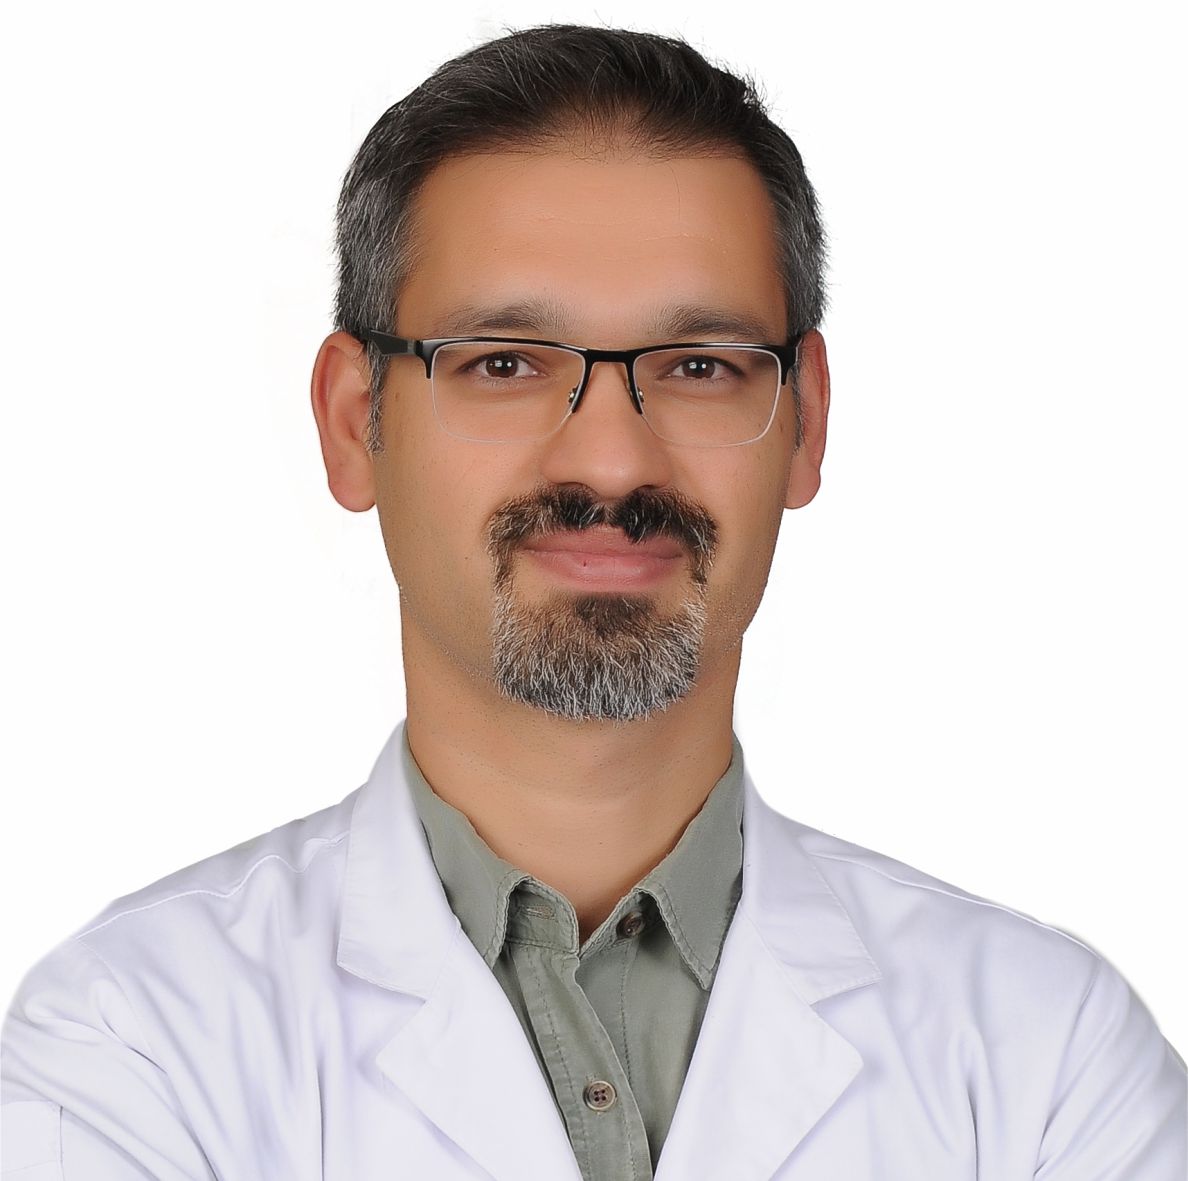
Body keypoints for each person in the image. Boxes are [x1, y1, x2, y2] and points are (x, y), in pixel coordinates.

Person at [2, 22, 1184, 1181]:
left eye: (701, 365)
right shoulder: (130, 1042)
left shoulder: (1047, 1058)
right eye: (504, 362)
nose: (612, 462)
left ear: (806, 421)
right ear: (355, 422)